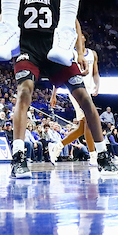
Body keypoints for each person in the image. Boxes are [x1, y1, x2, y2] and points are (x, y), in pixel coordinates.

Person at [4, 0, 117, 179]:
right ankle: (19, 157)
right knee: (24, 91)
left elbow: (71, 19)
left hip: (56, 47)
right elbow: (6, 12)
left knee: (85, 98)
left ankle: (102, 154)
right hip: (29, 47)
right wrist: (0, 28)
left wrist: (79, 51)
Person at [49, 21, 100, 163]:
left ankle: (58, 147)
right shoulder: (70, 53)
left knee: (81, 128)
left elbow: (96, 73)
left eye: (80, 35)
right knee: (89, 121)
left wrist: (97, 86)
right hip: (76, 90)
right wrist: (54, 94)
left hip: (88, 90)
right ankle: (93, 156)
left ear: (83, 38)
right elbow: (60, 73)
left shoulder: (92, 54)